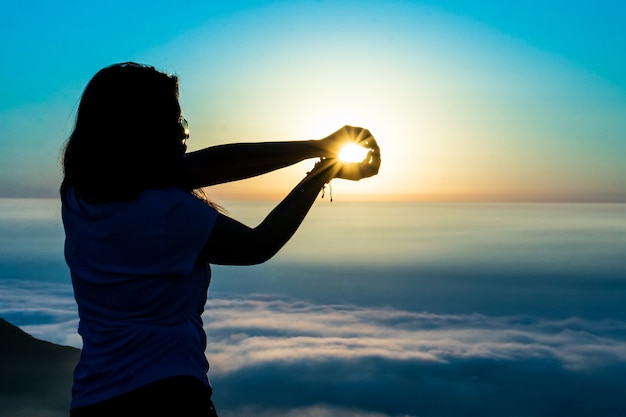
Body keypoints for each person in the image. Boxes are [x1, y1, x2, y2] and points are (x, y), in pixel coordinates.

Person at [61, 62, 381, 416]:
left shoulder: (79, 194)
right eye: (174, 122)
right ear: (143, 131)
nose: (183, 134)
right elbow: (258, 244)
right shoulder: (167, 213)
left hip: (93, 398)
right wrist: (320, 174)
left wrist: (316, 146)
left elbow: (207, 165)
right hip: (165, 396)